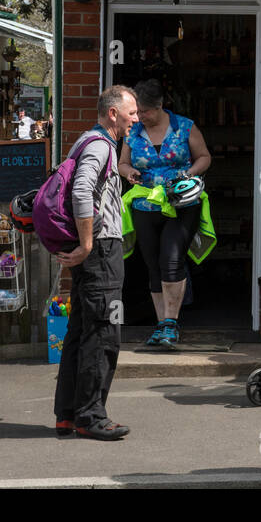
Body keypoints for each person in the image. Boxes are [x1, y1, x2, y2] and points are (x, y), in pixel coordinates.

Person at [54, 85, 139, 441]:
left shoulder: (86, 140)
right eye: (131, 112)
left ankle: (68, 414)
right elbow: (81, 190)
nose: (136, 119)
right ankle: (91, 416)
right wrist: (88, 243)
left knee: (80, 330)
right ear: (112, 114)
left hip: (94, 253)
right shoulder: (102, 145)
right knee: (103, 333)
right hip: (100, 252)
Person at [119, 80, 211, 350]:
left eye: (144, 112)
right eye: (137, 112)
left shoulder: (184, 126)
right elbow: (123, 162)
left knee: (171, 259)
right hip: (145, 205)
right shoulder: (133, 131)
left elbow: (204, 157)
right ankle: (161, 325)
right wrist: (128, 173)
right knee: (153, 265)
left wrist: (188, 175)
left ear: (160, 106)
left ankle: (171, 322)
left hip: (180, 204)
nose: (139, 117)